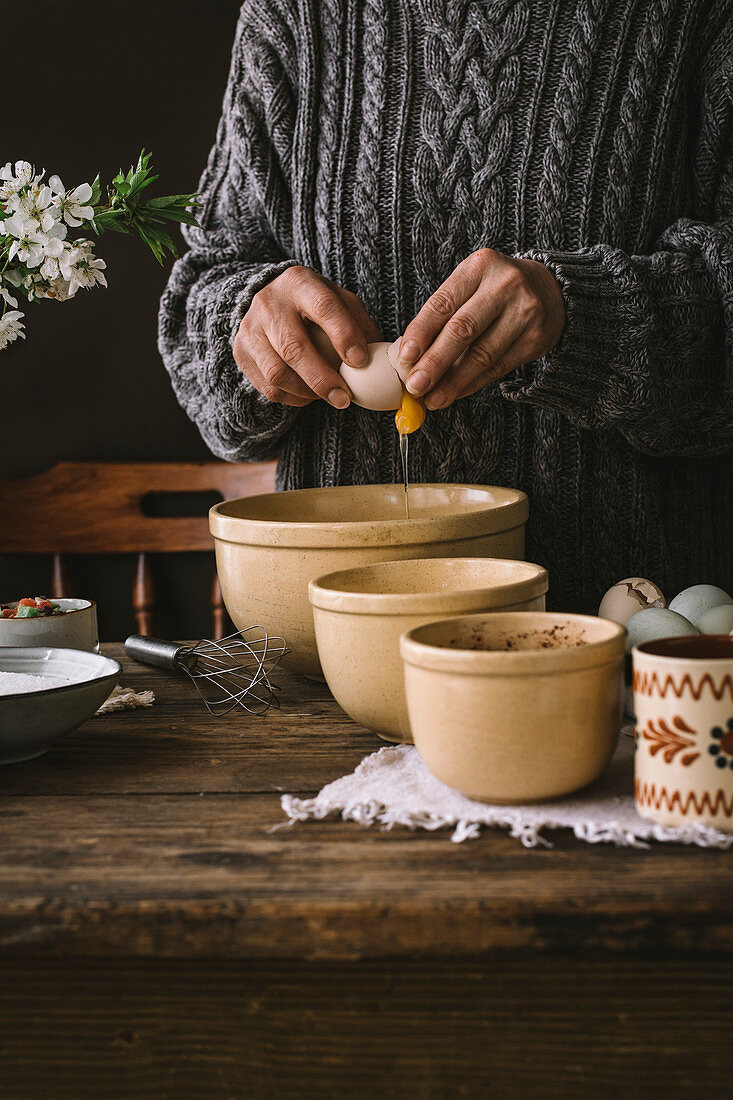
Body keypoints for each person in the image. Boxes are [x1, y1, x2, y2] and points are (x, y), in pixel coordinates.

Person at [159, 0, 733, 612]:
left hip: (625, 626)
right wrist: (248, 319)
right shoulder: (296, 16)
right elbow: (202, 296)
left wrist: (587, 316)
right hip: (334, 632)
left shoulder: (691, 18)